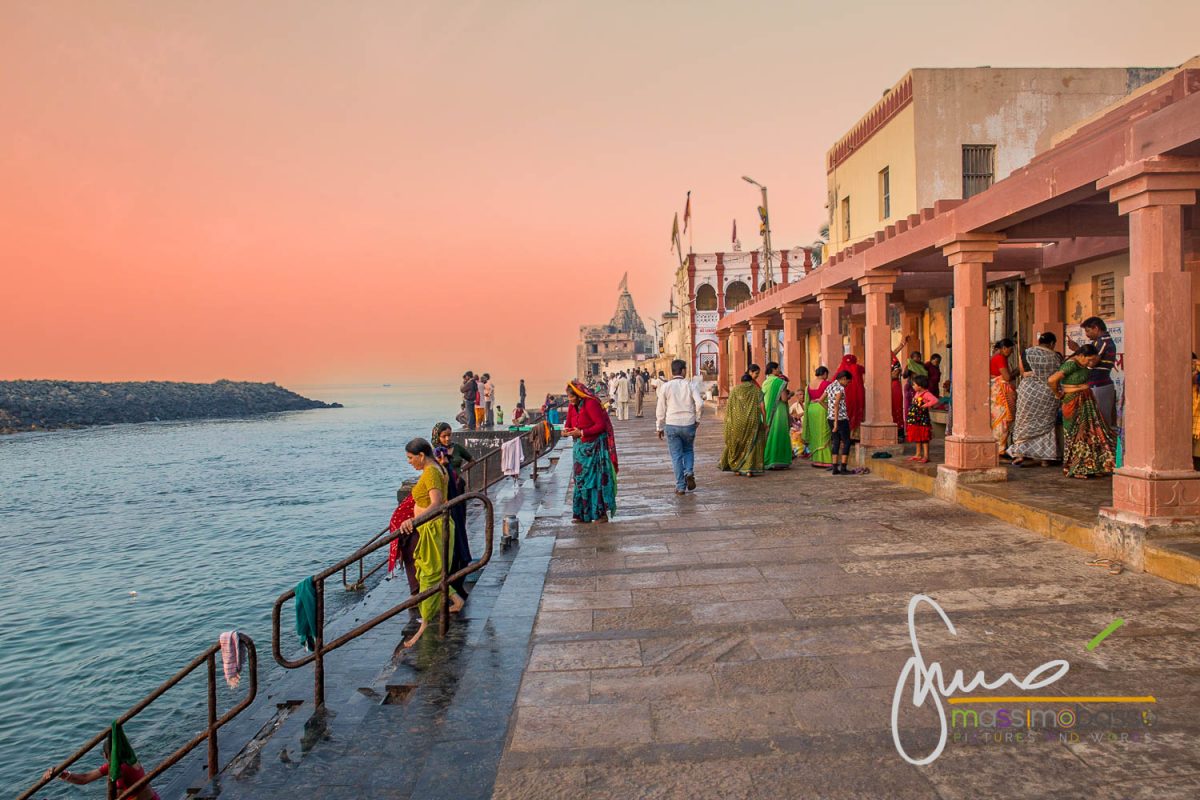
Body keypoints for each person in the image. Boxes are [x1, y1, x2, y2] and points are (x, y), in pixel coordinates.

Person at [397, 438, 464, 647]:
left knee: (429, 574)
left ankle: (424, 625)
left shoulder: (432, 471)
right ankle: (456, 600)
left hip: (434, 528)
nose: (409, 462)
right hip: (432, 528)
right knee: (429, 570)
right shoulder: (436, 467)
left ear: (421, 456)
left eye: (410, 458)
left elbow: (436, 503)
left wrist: (413, 520)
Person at [1048, 344, 1115, 479]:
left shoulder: (1083, 365)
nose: (1090, 363)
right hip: (1073, 401)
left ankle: (1091, 466)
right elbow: (1052, 379)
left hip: (1086, 400)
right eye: (1089, 360)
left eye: (1093, 360)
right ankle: (1076, 467)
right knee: (1076, 435)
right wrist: (1057, 393)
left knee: (1089, 434)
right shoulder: (1071, 365)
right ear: (1081, 356)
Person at [43, 725, 160, 800]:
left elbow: (117, 795)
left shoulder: (120, 769)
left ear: (106, 755)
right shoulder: (129, 760)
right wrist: (60, 773)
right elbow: (85, 778)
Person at [564, 380, 618, 522]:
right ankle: (581, 514)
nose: (570, 400)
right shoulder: (572, 407)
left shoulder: (591, 404)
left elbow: (600, 425)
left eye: (572, 397)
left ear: (579, 394)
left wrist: (582, 432)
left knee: (595, 480)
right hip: (580, 450)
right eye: (568, 397)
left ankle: (600, 514)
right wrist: (566, 431)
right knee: (580, 480)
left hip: (594, 448)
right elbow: (569, 424)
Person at [1009, 333, 1064, 466]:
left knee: (1024, 421)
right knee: (1046, 423)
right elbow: (1058, 374)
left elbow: (1022, 372)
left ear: (1039, 341)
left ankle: (1020, 454)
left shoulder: (1027, 352)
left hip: (1029, 392)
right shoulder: (1056, 356)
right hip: (1048, 392)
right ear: (1052, 344)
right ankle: (1045, 458)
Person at [656, 358, 704, 494]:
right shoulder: (690, 385)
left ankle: (680, 486)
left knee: (676, 456)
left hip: (672, 424)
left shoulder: (666, 387)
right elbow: (700, 403)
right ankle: (688, 471)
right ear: (683, 370)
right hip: (689, 423)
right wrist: (697, 419)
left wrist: (659, 427)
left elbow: (660, 409)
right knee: (688, 450)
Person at [433, 445, 472, 600]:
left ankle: (455, 589)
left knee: (457, 550)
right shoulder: (439, 471)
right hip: (452, 510)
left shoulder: (446, 469)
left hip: (454, 510)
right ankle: (453, 589)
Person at [1067, 317, 1118, 428]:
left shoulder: (1102, 342)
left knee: (1099, 423)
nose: (1087, 335)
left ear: (1096, 328)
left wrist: (1077, 350)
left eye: (1088, 331)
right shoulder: (1097, 342)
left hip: (1099, 386)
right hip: (1096, 385)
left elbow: (1091, 362)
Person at [719, 372, 765, 477]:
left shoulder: (735, 390)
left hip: (737, 422)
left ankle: (737, 469)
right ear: (751, 381)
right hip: (753, 421)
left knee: (738, 444)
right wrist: (765, 421)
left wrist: (728, 422)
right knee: (751, 443)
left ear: (741, 381)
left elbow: (729, 408)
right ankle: (749, 470)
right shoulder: (756, 390)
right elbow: (762, 407)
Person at [761, 361, 793, 470]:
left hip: (768, 411)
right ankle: (779, 460)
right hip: (779, 412)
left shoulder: (765, 382)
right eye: (778, 368)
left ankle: (768, 459)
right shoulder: (780, 382)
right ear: (773, 370)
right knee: (779, 434)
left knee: (770, 435)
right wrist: (790, 395)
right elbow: (783, 399)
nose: (779, 370)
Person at [990, 339, 1017, 457]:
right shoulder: (1000, 358)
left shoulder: (997, 357)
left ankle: (1000, 449)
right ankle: (999, 451)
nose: (1011, 353)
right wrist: (1018, 371)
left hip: (997, 391)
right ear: (1004, 348)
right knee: (1002, 420)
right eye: (1010, 350)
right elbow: (1006, 377)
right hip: (999, 393)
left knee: (1000, 420)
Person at [905, 375, 942, 464]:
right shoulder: (917, 393)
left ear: (920, 386)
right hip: (915, 420)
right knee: (917, 437)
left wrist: (924, 406)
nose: (913, 386)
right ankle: (918, 454)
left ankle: (926, 456)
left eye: (914, 385)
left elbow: (935, 400)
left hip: (922, 420)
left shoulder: (926, 394)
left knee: (924, 438)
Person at [825, 370, 855, 475]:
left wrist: (830, 411)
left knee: (836, 442)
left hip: (830, 418)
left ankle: (834, 468)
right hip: (841, 419)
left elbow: (820, 400)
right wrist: (836, 423)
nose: (847, 384)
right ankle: (843, 468)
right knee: (846, 442)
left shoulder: (830, 386)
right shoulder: (840, 388)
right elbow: (837, 404)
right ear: (844, 379)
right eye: (848, 382)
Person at [803, 366, 834, 468]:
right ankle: (825, 459)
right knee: (824, 433)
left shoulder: (809, 385)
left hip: (811, 409)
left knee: (815, 433)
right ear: (824, 373)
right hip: (822, 408)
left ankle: (816, 459)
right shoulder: (826, 384)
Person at [834, 354, 865, 438]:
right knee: (855, 413)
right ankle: (853, 435)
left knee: (844, 414)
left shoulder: (840, 369)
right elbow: (866, 370)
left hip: (843, 397)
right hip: (857, 397)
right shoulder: (857, 368)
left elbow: (834, 383)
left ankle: (844, 435)